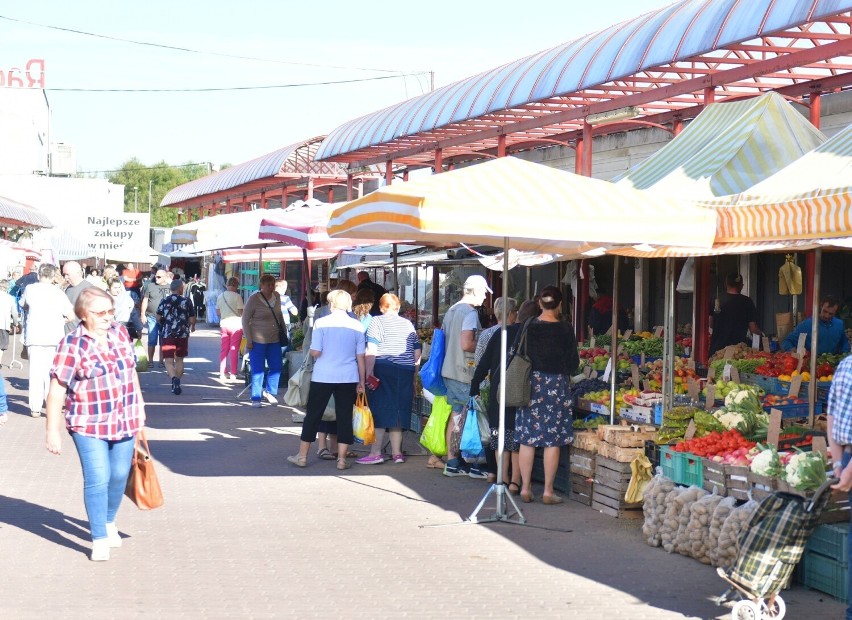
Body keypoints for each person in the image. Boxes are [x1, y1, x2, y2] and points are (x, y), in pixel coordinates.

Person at [44, 287, 145, 562]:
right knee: (98, 477)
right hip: (88, 421)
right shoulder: (72, 343)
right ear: (83, 314)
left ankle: (109, 520)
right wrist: (52, 430)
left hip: (125, 417)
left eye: (110, 311)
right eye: (100, 312)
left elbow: (131, 373)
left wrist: (141, 406)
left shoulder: (120, 333)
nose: (107, 317)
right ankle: (98, 537)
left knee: (119, 475)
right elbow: (56, 390)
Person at [515, 285, 579, 505]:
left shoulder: (528, 325)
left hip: (531, 384)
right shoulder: (566, 329)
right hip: (557, 386)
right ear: (560, 305)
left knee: (527, 438)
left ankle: (525, 487)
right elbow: (574, 363)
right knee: (553, 439)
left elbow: (516, 351)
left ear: (540, 303)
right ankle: (549, 491)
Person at [287, 289, 366, 471]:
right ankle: (342, 460)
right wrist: (361, 381)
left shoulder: (321, 323)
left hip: (323, 375)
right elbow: (360, 357)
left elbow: (316, 351)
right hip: (348, 376)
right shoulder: (357, 326)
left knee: (313, 415)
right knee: (345, 417)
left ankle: (302, 456)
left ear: (331, 304)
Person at [356, 293, 422, 465]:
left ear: (380, 307)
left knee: (380, 409)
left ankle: (376, 452)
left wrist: (369, 374)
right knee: (399, 410)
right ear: (398, 307)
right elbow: (417, 353)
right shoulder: (408, 324)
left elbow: (371, 349)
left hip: (384, 368)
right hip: (406, 370)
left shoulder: (376, 322)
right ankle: (397, 453)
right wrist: (414, 375)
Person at [441, 273, 491, 479]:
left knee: (457, 416)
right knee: (474, 417)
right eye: (485, 293)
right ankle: (475, 463)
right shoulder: (470, 313)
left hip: (449, 370)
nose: (485, 298)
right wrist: (484, 342)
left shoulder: (451, 310)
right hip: (464, 372)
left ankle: (452, 462)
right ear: (477, 291)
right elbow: (466, 344)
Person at [470, 297, 520, 487]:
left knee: (500, 436)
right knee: (516, 439)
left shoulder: (493, 334)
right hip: (519, 391)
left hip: (497, 390)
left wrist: (475, 386)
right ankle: (516, 482)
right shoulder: (523, 333)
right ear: (511, 314)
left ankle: (501, 478)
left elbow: (481, 363)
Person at [21, 264, 75, 418]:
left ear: (39, 275)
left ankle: (35, 408)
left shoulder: (30, 289)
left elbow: (23, 305)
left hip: (35, 337)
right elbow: (71, 316)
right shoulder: (58, 293)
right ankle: (51, 405)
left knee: (35, 373)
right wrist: (60, 321)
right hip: (54, 337)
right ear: (53, 277)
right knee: (52, 374)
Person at [242, 273, 286, 408]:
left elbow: (279, 316)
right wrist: (248, 339)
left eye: (273, 284)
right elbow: (245, 319)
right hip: (257, 340)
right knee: (258, 369)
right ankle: (256, 397)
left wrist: (284, 332)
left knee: (277, 366)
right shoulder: (254, 299)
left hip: (274, 339)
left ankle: (270, 392)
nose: (271, 287)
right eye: (268, 285)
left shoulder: (277, 297)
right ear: (261, 285)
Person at [157, 279, 196, 396]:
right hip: (183, 334)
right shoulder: (186, 301)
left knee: (168, 360)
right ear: (180, 288)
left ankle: (173, 379)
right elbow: (192, 319)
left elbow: (158, 317)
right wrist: (192, 326)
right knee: (179, 359)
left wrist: (165, 323)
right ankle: (177, 382)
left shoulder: (164, 300)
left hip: (167, 333)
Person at [709, 273, 763, 356]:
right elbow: (753, 329)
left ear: (725, 284)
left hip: (717, 350)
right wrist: (763, 340)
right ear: (741, 285)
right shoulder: (747, 302)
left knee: (716, 368)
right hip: (737, 352)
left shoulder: (715, 299)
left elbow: (710, 324)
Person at [782, 294, 850, 356]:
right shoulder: (806, 325)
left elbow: (844, 342)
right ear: (821, 306)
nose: (826, 316)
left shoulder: (839, 324)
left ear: (835, 312)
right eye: (825, 311)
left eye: (830, 314)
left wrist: (844, 354)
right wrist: (790, 349)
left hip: (832, 363)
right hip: (811, 364)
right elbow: (787, 341)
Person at [140, 268, 172, 368]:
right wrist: (142, 314)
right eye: (155, 276)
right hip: (152, 317)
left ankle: (161, 361)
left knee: (163, 340)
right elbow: (145, 300)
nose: (156, 278)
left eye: (159, 277)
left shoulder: (170, 287)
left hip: (165, 319)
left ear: (165, 277)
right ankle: (150, 361)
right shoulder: (150, 286)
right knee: (152, 339)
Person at [216, 277, 244, 382]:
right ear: (236, 285)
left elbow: (218, 312)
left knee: (224, 350)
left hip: (224, 325)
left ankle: (222, 373)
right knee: (234, 349)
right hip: (236, 325)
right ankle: (233, 373)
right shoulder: (238, 297)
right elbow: (241, 312)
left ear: (227, 284)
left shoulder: (220, 296)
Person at [62, 261, 95, 333]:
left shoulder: (89, 289)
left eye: (67, 274)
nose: (65, 277)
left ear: (77, 273)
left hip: (81, 336)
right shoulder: (68, 288)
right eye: (64, 275)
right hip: (68, 335)